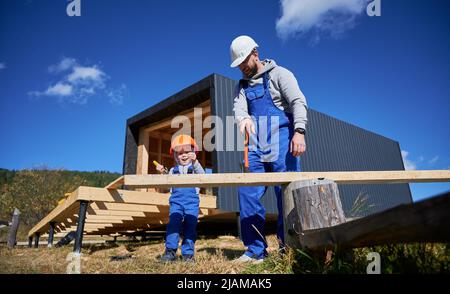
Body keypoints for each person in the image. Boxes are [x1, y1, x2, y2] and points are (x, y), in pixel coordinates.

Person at [230, 35, 308, 263]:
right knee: (247, 191)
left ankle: (288, 249)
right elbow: (239, 110)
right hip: (256, 144)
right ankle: (255, 251)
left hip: (283, 138)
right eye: (238, 64)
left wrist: (299, 131)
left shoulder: (280, 74)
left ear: (255, 53)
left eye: (244, 60)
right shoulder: (241, 86)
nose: (242, 67)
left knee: (285, 194)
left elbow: (298, 102)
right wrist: (243, 120)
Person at [156, 134, 205, 262]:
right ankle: (170, 252)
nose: (183, 155)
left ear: (194, 153)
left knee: (190, 226)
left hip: (191, 203)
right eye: (179, 153)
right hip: (176, 203)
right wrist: (162, 173)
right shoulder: (172, 170)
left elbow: (203, 176)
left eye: (187, 152)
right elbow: (167, 183)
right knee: (173, 224)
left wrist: (195, 162)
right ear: (175, 155)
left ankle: (188, 255)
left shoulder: (195, 168)